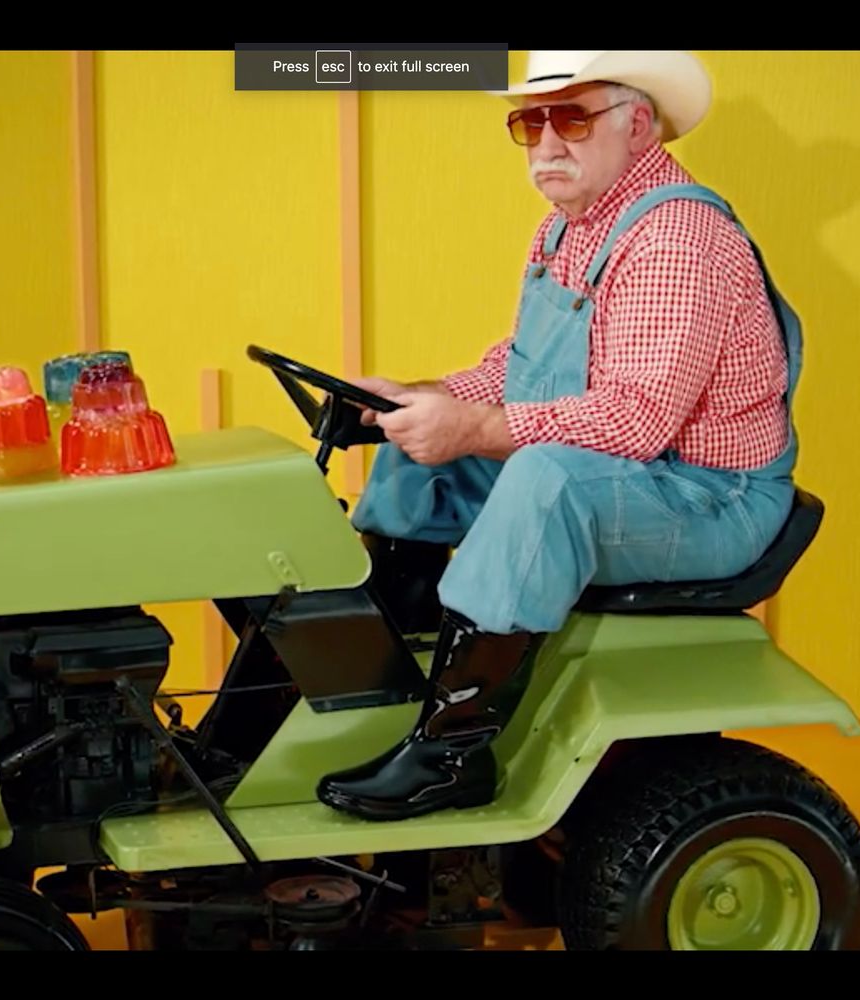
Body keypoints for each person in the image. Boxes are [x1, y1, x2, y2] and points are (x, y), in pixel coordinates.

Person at [315, 51, 807, 823]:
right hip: (633, 472)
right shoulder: (567, 229)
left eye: (571, 118)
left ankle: (452, 753)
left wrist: (472, 426)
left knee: (546, 480)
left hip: (708, 496)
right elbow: (520, 368)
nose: (546, 144)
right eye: (530, 122)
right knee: (421, 457)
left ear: (638, 125)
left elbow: (636, 421)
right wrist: (422, 399)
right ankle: (388, 663)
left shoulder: (677, 239)